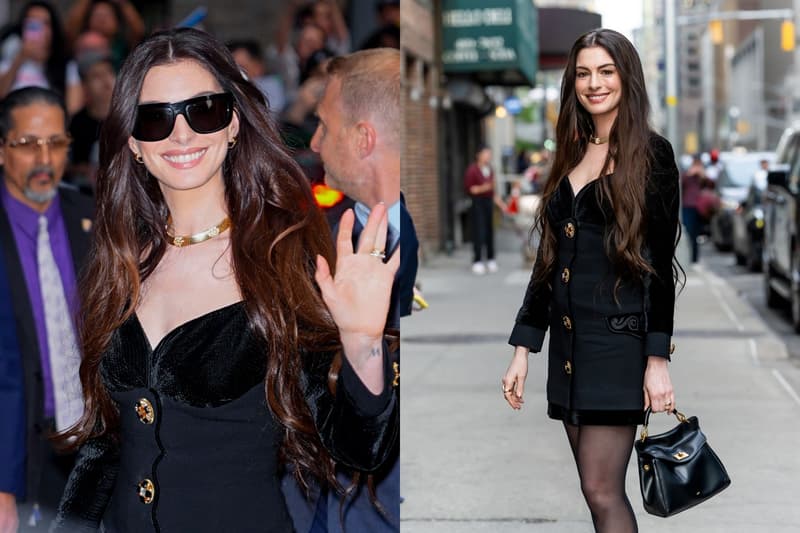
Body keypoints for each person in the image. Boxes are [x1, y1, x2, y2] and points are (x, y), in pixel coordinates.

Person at [51, 27, 399, 532]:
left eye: (203, 109)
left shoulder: (284, 259)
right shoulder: (117, 261)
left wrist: (363, 343)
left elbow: (359, 448)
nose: (182, 134)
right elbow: (107, 444)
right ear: (133, 142)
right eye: (156, 119)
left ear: (232, 123)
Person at [501, 29, 680, 533]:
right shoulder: (572, 150)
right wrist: (523, 348)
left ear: (626, 77)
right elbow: (548, 257)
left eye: (606, 71)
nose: (593, 83)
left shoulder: (653, 155)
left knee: (603, 491)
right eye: (583, 72)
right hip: (569, 346)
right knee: (593, 489)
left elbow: (660, 266)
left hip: (617, 347)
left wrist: (657, 359)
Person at [283, 47, 411, 533]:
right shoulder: (303, 239)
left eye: (325, 126)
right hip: (313, 506)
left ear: (363, 138)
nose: (314, 143)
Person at [0, 87, 94, 530]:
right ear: (2, 150)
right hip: (19, 448)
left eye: (56, 143)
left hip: (95, 446)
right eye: (27, 144)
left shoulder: (94, 220)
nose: (45, 158)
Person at [0, 2, 82, 114]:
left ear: (53, 29)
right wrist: (20, 58)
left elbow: (74, 107)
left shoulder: (66, 65)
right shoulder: (9, 60)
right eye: (32, 23)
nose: (39, 29)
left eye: (45, 23)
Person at [67, 51, 115, 192]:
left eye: (109, 72)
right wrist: (82, 170)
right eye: (96, 76)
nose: (106, 81)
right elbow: (67, 165)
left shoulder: (129, 116)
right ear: (84, 85)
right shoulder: (76, 124)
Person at [464, 145, 506, 275]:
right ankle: (477, 260)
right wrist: (485, 187)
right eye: (486, 153)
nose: (488, 156)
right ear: (479, 155)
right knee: (479, 232)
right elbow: (471, 189)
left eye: (489, 154)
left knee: (489, 231)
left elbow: (493, 191)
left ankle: (491, 258)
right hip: (477, 203)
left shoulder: (490, 169)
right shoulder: (472, 170)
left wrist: (502, 205)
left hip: (488, 203)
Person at [680, 155, 708, 263]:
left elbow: (709, 185)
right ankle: (688, 256)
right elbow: (681, 183)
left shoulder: (701, 176)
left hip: (699, 207)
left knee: (695, 234)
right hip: (688, 206)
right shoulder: (687, 175)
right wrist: (689, 173)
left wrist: (702, 175)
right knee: (688, 232)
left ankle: (694, 258)